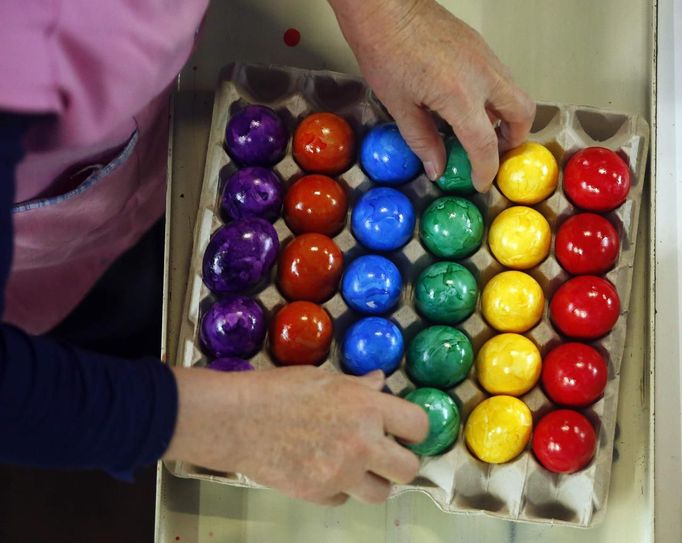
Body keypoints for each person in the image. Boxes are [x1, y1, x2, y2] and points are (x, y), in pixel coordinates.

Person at [0, 0, 534, 511]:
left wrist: (387, 12)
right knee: (120, 327)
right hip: (50, 261)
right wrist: (211, 422)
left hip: (147, 144)